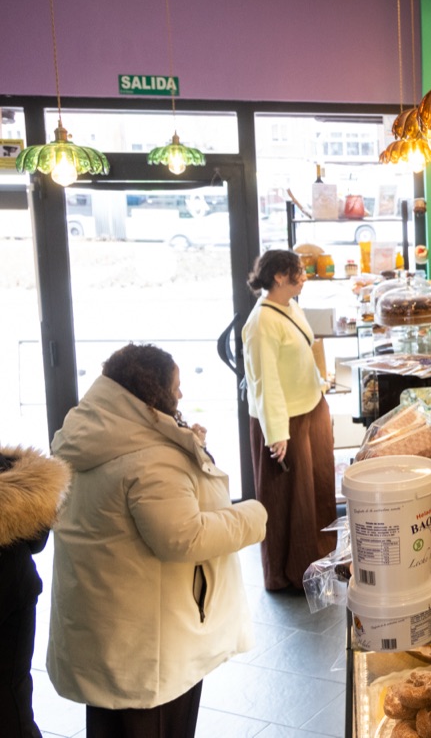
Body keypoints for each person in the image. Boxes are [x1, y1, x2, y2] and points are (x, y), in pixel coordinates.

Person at [47, 343, 267, 738]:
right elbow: (183, 537)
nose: (180, 395)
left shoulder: (88, 437)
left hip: (104, 630)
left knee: (111, 726)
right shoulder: (149, 459)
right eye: (175, 387)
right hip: (149, 644)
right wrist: (253, 516)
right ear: (151, 393)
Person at [242, 249, 336, 591]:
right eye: (299, 271)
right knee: (290, 498)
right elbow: (264, 382)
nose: (305, 275)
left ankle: (319, 559)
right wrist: (277, 434)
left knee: (318, 488)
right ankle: (290, 574)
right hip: (285, 421)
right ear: (279, 277)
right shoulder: (261, 323)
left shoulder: (290, 306)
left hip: (310, 406)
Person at [0, 444, 70, 738]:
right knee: (11, 695)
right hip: (11, 586)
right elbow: (36, 540)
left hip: (13, 586)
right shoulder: (14, 472)